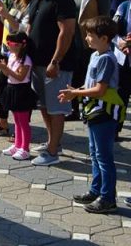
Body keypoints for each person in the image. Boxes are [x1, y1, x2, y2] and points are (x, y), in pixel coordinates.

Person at [59, 16, 123, 214]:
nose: (86, 38)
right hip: (93, 111)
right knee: (95, 154)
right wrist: (77, 89)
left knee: (104, 157)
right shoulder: (96, 55)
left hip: (103, 113)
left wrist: (75, 93)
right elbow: (91, 85)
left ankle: (108, 198)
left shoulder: (106, 58)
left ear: (104, 38)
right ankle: (96, 190)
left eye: (90, 35)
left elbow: (100, 90)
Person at [24, 0, 77, 167]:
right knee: (44, 106)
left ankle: (53, 152)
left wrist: (56, 61)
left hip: (55, 64)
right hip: (37, 61)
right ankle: (52, 142)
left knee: (56, 108)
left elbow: (67, 32)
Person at [0, 0, 35, 137]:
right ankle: (3, 122)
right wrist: (3, 15)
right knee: (3, 87)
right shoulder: (16, 1)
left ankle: (22, 127)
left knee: (20, 90)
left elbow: (22, 29)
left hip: (20, 53)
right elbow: (9, 25)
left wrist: (7, 15)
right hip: (7, 50)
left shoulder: (31, 5)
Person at [68, 0, 111, 120]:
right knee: (74, 74)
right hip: (74, 38)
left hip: (91, 40)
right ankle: (73, 109)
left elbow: (105, 18)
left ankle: (91, 108)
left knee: (89, 75)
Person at [0, 32, 37, 160]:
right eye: (8, 43)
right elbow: (9, 75)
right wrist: (3, 68)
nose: (9, 46)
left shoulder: (26, 60)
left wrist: (5, 68)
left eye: (11, 44)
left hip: (22, 91)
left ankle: (25, 148)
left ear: (20, 45)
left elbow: (20, 76)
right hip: (12, 89)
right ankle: (17, 145)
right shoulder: (12, 56)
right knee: (16, 121)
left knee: (23, 122)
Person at [112, 0, 131, 139]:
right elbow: (112, 32)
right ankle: (116, 128)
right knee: (120, 96)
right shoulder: (123, 7)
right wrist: (122, 42)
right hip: (123, 60)